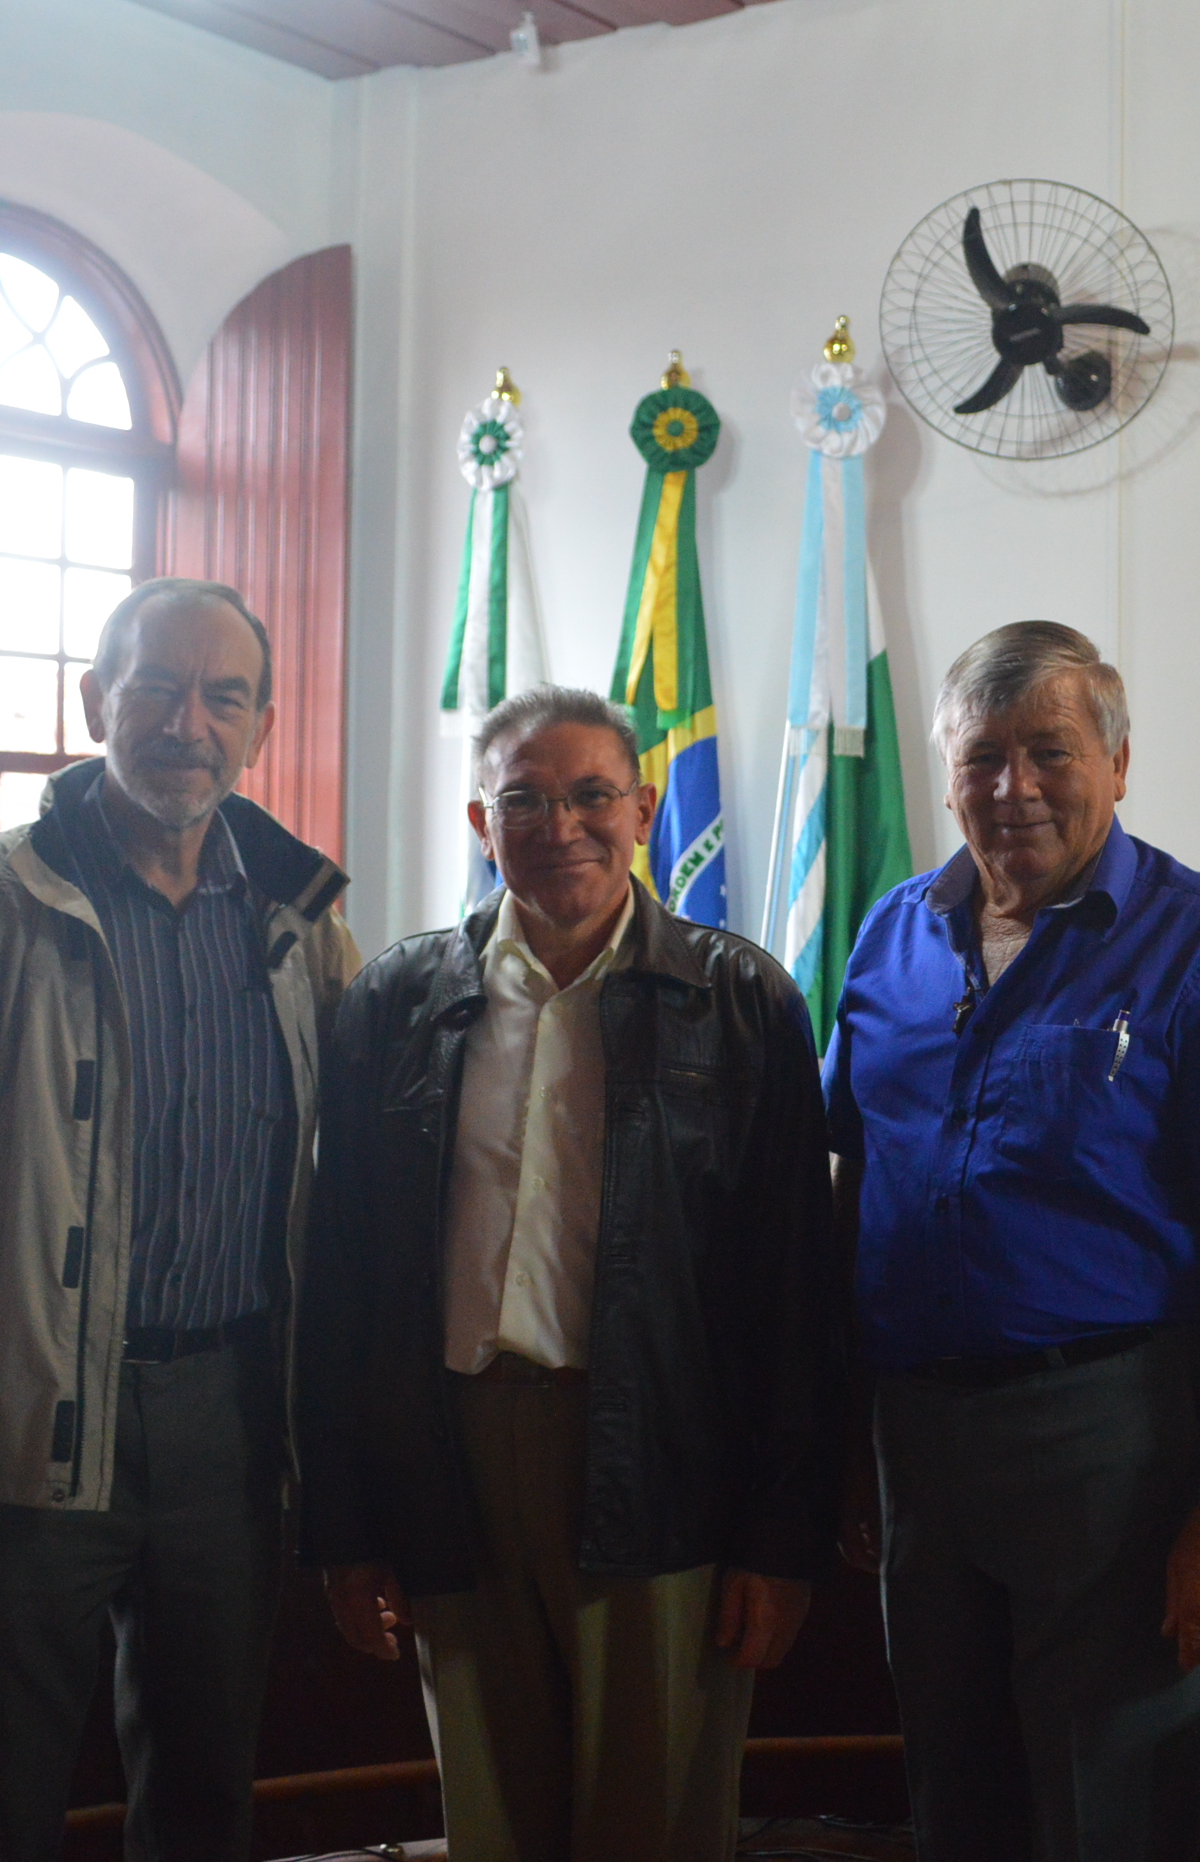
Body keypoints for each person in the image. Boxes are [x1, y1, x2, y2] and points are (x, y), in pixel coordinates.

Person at [0, 577, 358, 1862]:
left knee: (205, 1795)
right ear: (94, 702)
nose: (188, 722)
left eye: (223, 696)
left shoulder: (301, 919)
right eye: (157, 688)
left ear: (261, 727)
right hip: (26, 1428)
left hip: (230, 1427)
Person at [826, 620, 1200, 1862]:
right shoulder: (890, 935)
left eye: (1048, 752)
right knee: (957, 1804)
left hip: (1108, 1446)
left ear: (1117, 764)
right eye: (983, 757)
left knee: (1114, 1814)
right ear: (946, 772)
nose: (1012, 788)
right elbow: (856, 1189)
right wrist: (843, 1436)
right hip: (917, 1441)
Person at [299, 685, 839, 1862]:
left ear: (643, 809)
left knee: (653, 1820)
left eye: (592, 793)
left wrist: (780, 1538)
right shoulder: (396, 1000)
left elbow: (795, 1295)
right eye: (524, 800)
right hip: (450, 1459)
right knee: (490, 1823)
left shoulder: (738, 1000)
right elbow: (340, 1279)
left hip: (663, 1459)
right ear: (480, 824)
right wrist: (345, 1527)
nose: (562, 824)